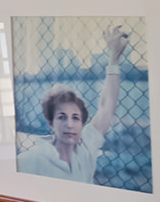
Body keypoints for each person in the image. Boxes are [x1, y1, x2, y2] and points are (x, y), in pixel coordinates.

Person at [16, 24, 131, 183]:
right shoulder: (31, 160)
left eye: (75, 118)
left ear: (82, 123)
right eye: (62, 117)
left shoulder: (86, 147)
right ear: (50, 123)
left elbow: (106, 107)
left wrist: (114, 57)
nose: (70, 124)